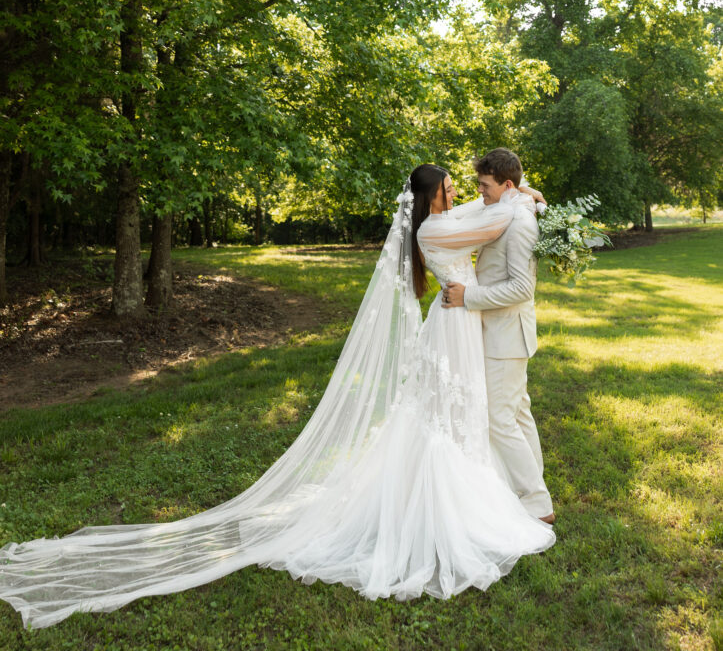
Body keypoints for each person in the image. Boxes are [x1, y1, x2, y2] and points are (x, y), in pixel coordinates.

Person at [0, 164, 554, 630]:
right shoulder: (433, 234)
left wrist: (522, 194)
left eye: (466, 186)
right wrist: (522, 201)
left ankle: (476, 492)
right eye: (450, 187)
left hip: (461, 322)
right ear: (431, 194)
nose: (459, 193)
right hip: (453, 324)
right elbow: (491, 225)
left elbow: (486, 214)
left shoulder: (442, 219)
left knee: (460, 414)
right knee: (443, 417)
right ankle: (444, 511)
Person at [442, 149, 554, 523]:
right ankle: (533, 483)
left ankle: (537, 503)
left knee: (498, 419)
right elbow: (510, 194)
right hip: (500, 333)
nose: (480, 192)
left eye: (485, 185)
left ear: (506, 185)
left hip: (507, 336)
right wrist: (529, 192)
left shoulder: (521, 223)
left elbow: (522, 288)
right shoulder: (508, 204)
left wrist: (467, 297)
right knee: (518, 413)